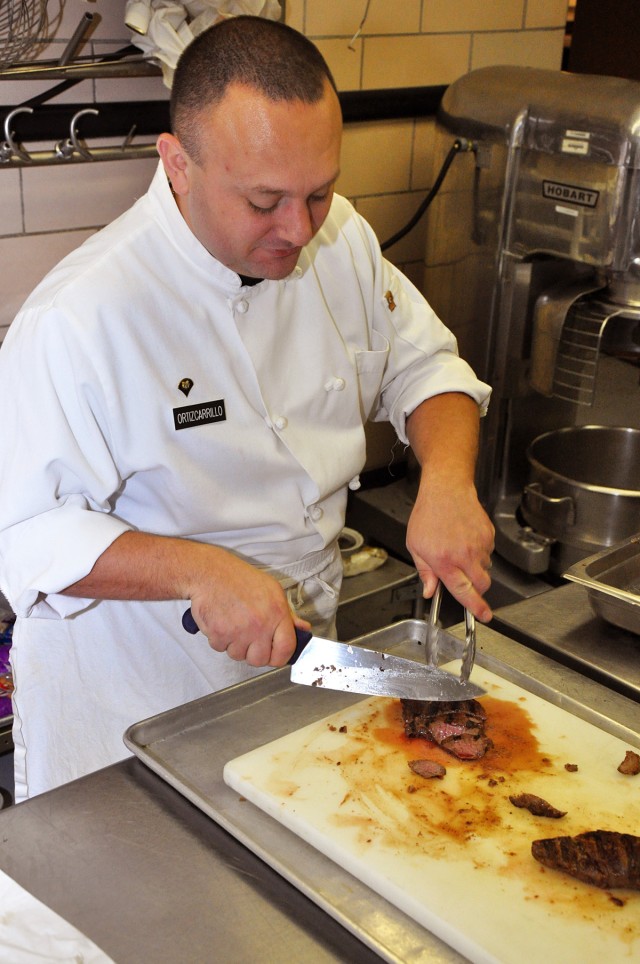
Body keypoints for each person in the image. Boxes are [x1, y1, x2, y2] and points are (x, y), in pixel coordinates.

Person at [0, 16, 494, 801]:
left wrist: (448, 481)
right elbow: (26, 534)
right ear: (178, 164)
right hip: (133, 706)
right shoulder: (80, 318)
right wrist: (197, 570)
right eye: (265, 200)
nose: (298, 229)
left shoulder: (341, 240)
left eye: (319, 193)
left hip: (295, 668)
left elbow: (425, 367)